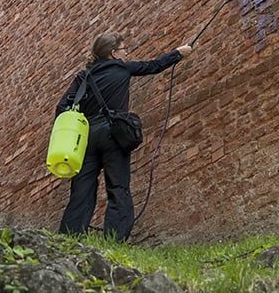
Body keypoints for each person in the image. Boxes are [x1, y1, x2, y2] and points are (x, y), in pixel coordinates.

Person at [55, 31, 193, 241]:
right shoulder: (122, 68)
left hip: (85, 138)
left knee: (82, 190)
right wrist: (178, 53)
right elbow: (154, 66)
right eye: (123, 49)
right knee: (118, 186)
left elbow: (62, 107)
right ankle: (114, 239)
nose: (126, 53)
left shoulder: (84, 76)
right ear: (113, 53)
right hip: (113, 133)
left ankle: (68, 238)